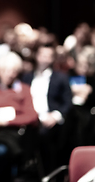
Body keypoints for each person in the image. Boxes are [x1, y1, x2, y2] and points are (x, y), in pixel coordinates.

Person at [0, 52, 39, 182]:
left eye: (13, 71)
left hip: (14, 135)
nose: (9, 74)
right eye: (5, 70)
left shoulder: (24, 89)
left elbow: (31, 116)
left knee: (1, 151)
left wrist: (5, 122)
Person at [21, 44, 72, 176]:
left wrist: (55, 116)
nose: (45, 59)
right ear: (37, 56)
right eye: (42, 55)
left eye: (48, 56)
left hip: (50, 119)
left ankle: (48, 175)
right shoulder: (27, 77)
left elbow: (67, 102)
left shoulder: (60, 77)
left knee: (46, 139)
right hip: (30, 119)